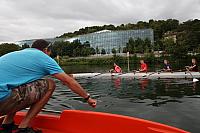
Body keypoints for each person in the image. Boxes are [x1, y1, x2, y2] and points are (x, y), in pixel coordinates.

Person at [0, 39, 97, 133]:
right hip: (2, 102)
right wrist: (87, 98)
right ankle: (24, 127)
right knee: (50, 84)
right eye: (50, 52)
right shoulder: (43, 57)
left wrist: (66, 76)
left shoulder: (17, 54)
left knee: (19, 85)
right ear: (46, 50)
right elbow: (68, 82)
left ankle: (7, 124)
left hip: (3, 97)